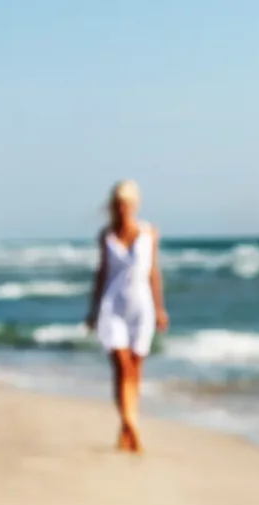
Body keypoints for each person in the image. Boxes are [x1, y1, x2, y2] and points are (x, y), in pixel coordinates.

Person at [86, 180, 169, 453]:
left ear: (135, 205)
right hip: (113, 308)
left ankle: (126, 426)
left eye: (127, 203)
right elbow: (101, 274)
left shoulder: (149, 233)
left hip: (141, 307)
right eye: (118, 204)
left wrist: (159, 308)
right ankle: (131, 425)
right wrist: (93, 309)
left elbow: (153, 272)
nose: (123, 209)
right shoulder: (106, 235)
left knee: (135, 369)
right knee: (122, 367)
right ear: (113, 206)